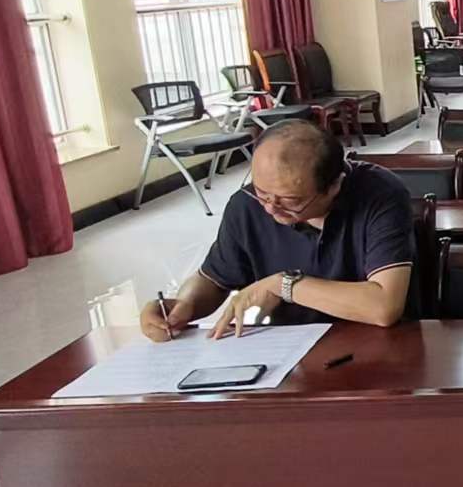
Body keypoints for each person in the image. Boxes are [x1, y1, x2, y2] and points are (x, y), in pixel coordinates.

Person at [138, 120, 414, 341]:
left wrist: (284, 285)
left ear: (334, 185)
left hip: (377, 345)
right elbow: (213, 279)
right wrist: (183, 305)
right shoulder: (247, 205)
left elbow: (383, 306)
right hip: (289, 350)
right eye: (262, 192)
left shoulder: (380, 195)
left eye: (290, 200)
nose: (271, 208)